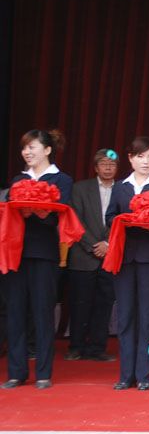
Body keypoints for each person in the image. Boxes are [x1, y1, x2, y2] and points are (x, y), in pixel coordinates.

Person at [2, 129, 72, 390]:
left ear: (47, 150)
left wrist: (40, 212)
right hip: (16, 252)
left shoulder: (61, 179)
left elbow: (62, 213)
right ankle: (16, 372)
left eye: (32, 147)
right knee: (15, 312)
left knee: (43, 312)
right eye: (24, 148)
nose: (27, 152)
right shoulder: (18, 179)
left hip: (45, 253)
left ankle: (43, 372)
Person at [106, 136, 149, 391]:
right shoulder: (120, 187)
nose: (146, 161)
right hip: (125, 257)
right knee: (125, 316)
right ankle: (126, 374)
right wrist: (124, 221)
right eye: (140, 156)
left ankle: (147, 373)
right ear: (130, 158)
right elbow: (110, 217)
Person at [66, 148, 118, 362]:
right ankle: (76, 346)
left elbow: (122, 220)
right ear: (96, 167)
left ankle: (97, 347)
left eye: (112, 164)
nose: (108, 168)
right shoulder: (80, 188)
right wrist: (94, 245)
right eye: (104, 164)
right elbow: (75, 220)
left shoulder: (123, 190)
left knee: (104, 304)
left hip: (110, 256)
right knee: (80, 303)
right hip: (83, 255)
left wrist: (108, 244)